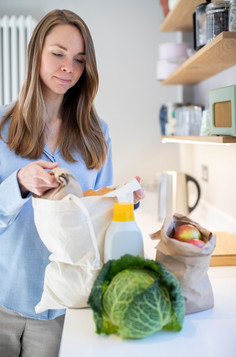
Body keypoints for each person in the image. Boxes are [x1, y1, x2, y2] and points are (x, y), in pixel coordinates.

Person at [0, 8, 145, 357]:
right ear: (36, 53)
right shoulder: (2, 126)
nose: (69, 68)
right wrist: (18, 182)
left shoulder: (97, 135)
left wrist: (122, 202)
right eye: (58, 54)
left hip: (64, 310)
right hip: (3, 297)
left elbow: (95, 224)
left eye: (79, 60)